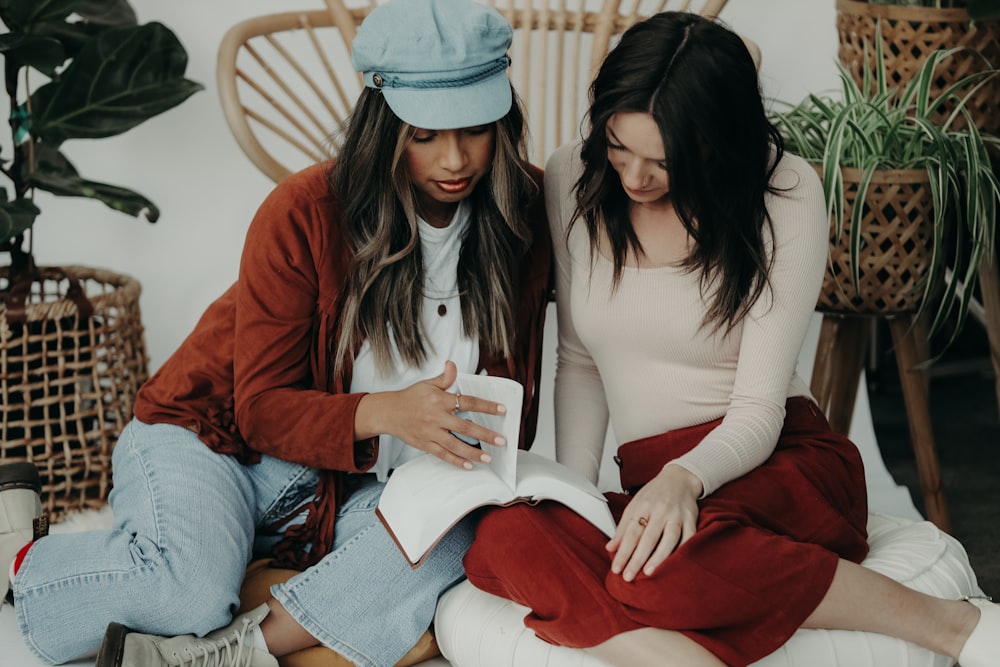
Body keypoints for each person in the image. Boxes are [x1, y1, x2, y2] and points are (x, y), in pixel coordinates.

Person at [0, 0, 551, 665]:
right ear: (382, 126)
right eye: (424, 133)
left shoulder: (525, 215)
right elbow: (257, 409)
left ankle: (232, 651)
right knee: (193, 589)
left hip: (351, 485)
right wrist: (388, 413)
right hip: (216, 437)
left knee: (454, 540)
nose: (454, 157)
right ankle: (23, 555)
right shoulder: (305, 210)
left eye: (474, 128)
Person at [462, 11, 999, 667]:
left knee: (656, 570)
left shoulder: (785, 191)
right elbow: (577, 359)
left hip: (773, 461)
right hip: (657, 480)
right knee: (499, 535)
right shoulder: (571, 175)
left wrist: (686, 477)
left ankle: (951, 625)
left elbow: (758, 411)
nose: (633, 178)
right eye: (618, 146)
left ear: (718, 140)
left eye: (663, 161)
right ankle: (666, 653)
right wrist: (579, 501)